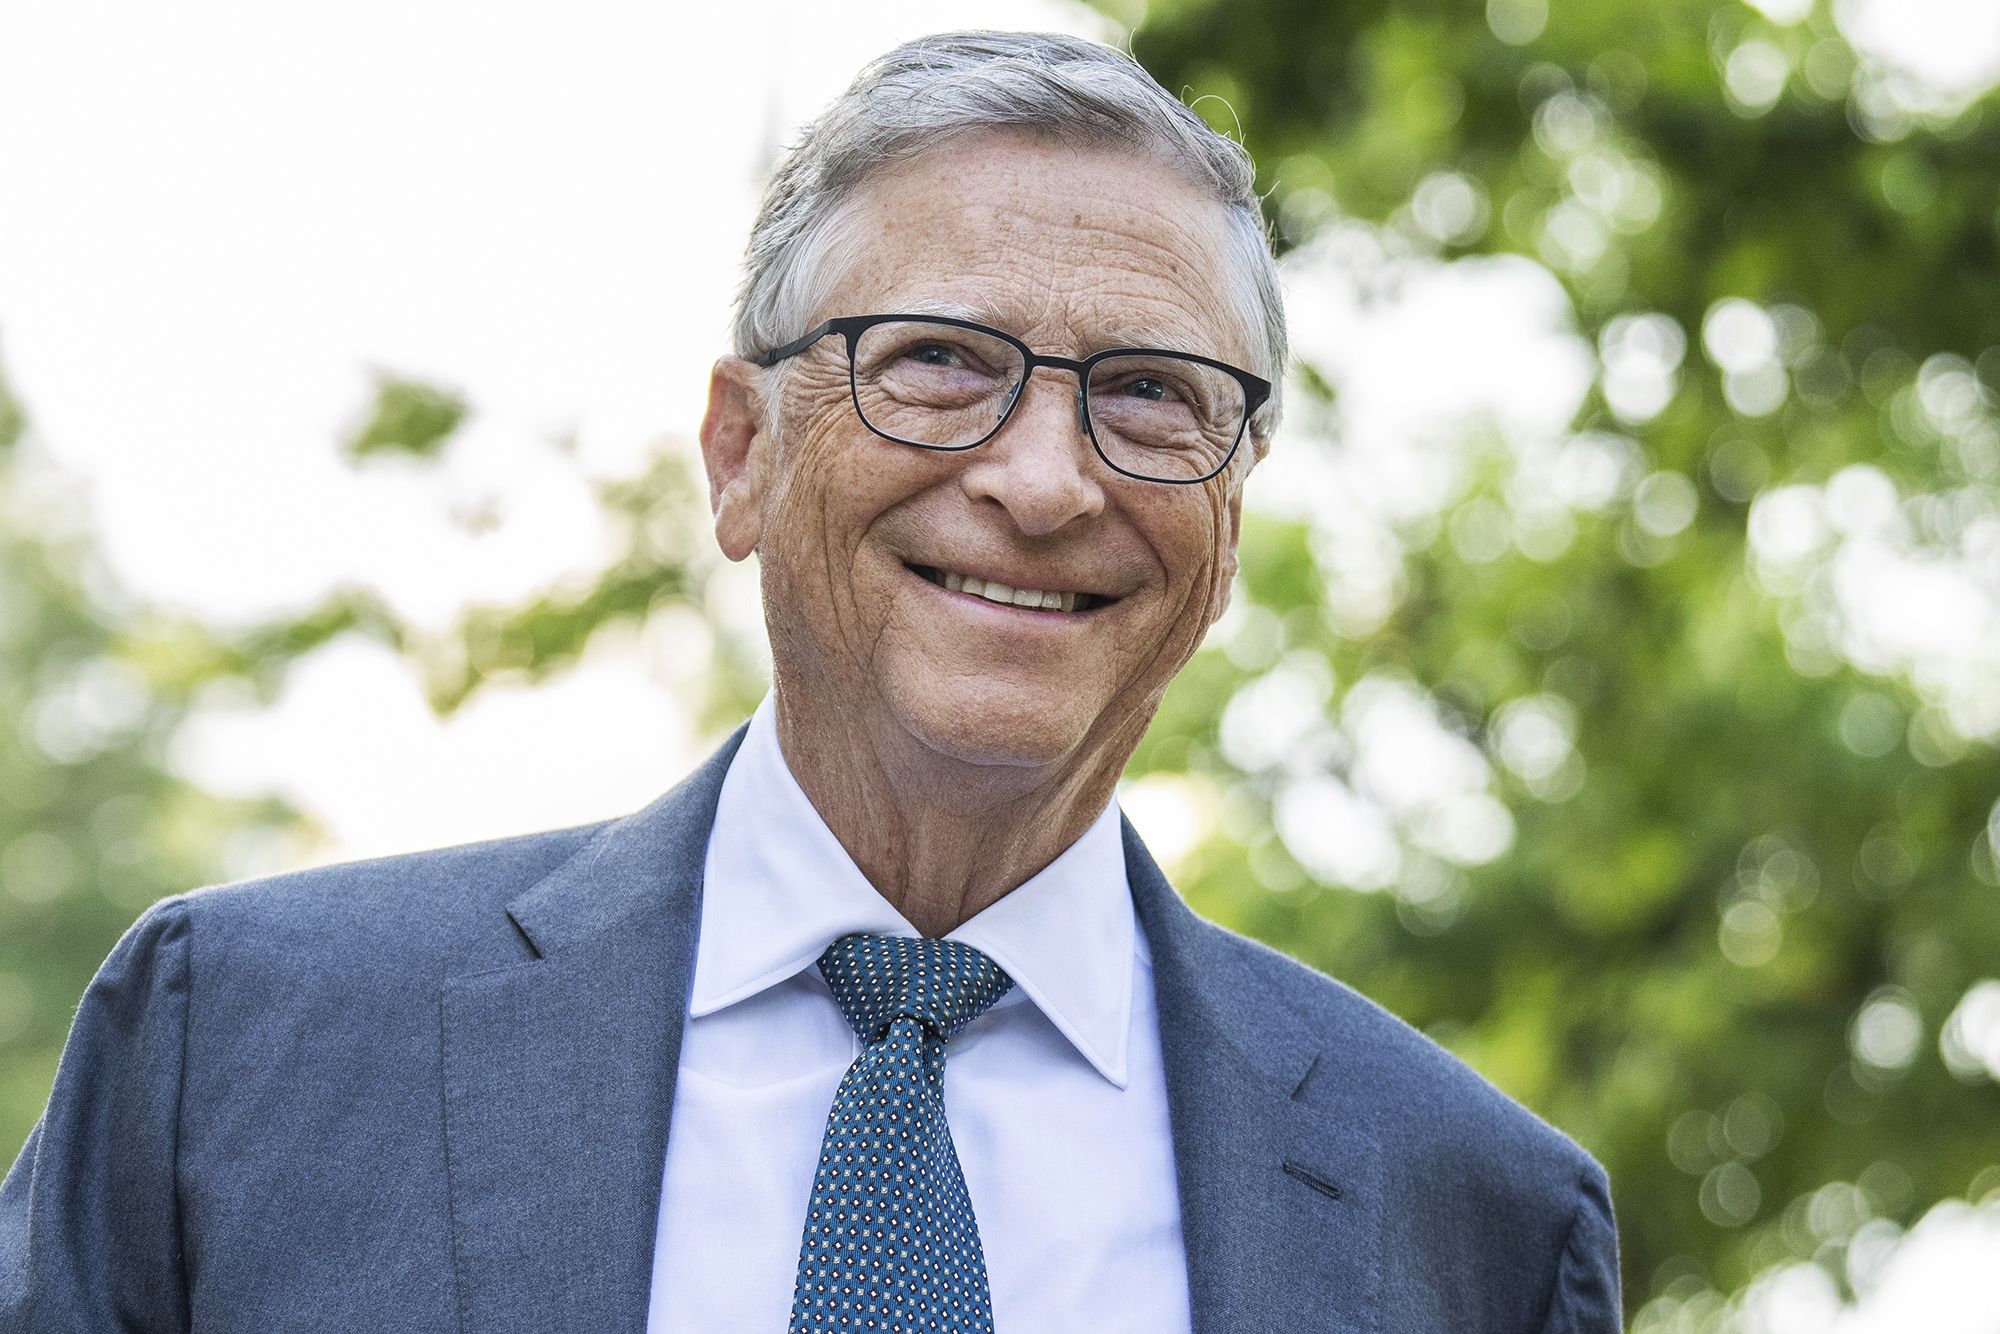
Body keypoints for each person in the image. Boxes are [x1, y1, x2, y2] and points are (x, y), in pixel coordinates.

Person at [0, 29, 1622, 1334]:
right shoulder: (237, 1051)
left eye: (1151, 394)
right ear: (741, 453)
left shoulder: (1473, 1218)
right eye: (940, 362)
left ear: (1230, 515)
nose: (1046, 478)